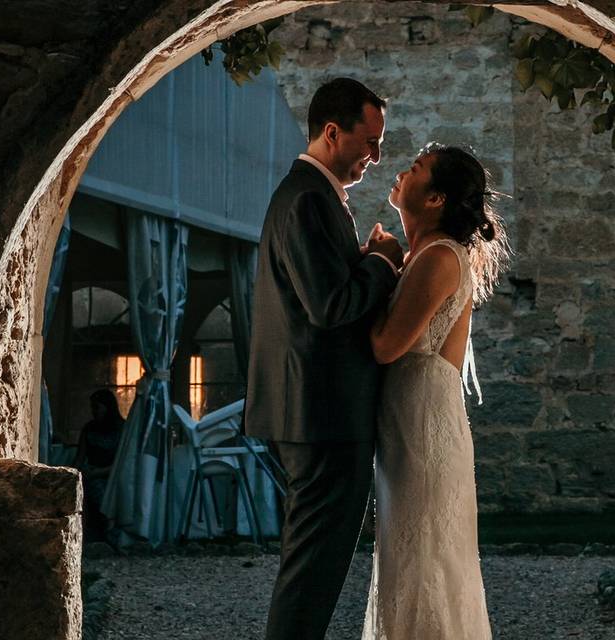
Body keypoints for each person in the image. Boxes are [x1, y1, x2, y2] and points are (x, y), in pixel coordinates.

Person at [244, 77, 404, 640]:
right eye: (370, 141)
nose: (376, 157)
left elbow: (321, 291)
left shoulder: (309, 196)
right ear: (332, 132)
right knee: (313, 571)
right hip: (322, 416)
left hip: (313, 411)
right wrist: (382, 262)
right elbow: (331, 305)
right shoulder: (309, 198)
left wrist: (360, 260)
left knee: (314, 567)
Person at [362, 143, 510, 639]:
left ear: (434, 199)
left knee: (423, 565)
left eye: (418, 168)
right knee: (412, 563)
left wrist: (380, 266)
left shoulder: (437, 258)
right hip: (410, 423)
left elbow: (385, 346)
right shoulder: (422, 255)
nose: (403, 171)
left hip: (423, 429)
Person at [73, 389, 124, 542]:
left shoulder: (121, 429)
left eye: (97, 408)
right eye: (92, 408)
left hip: (113, 474)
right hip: (91, 472)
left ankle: (109, 530)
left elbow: (122, 461)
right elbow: (79, 458)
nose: (94, 412)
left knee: (98, 488)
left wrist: (99, 473)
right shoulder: (89, 428)